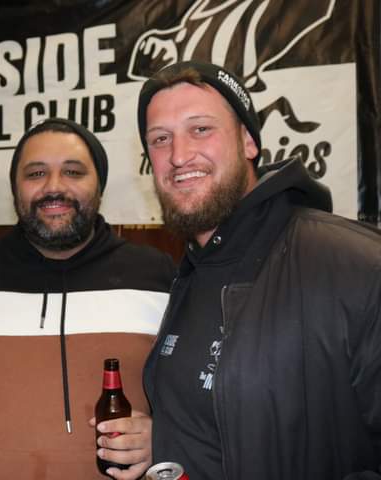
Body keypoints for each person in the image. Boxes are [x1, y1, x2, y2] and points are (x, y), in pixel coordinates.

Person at [136, 60, 381, 479]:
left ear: (248, 141)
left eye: (201, 129)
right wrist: (161, 439)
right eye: (160, 139)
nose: (178, 155)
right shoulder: (191, 272)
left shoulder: (358, 265)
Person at [0, 117, 176, 479]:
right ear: (14, 189)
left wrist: (164, 435)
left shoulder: (159, 277)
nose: (54, 187)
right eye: (36, 173)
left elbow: (201, 403)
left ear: (100, 186)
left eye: (74, 172)